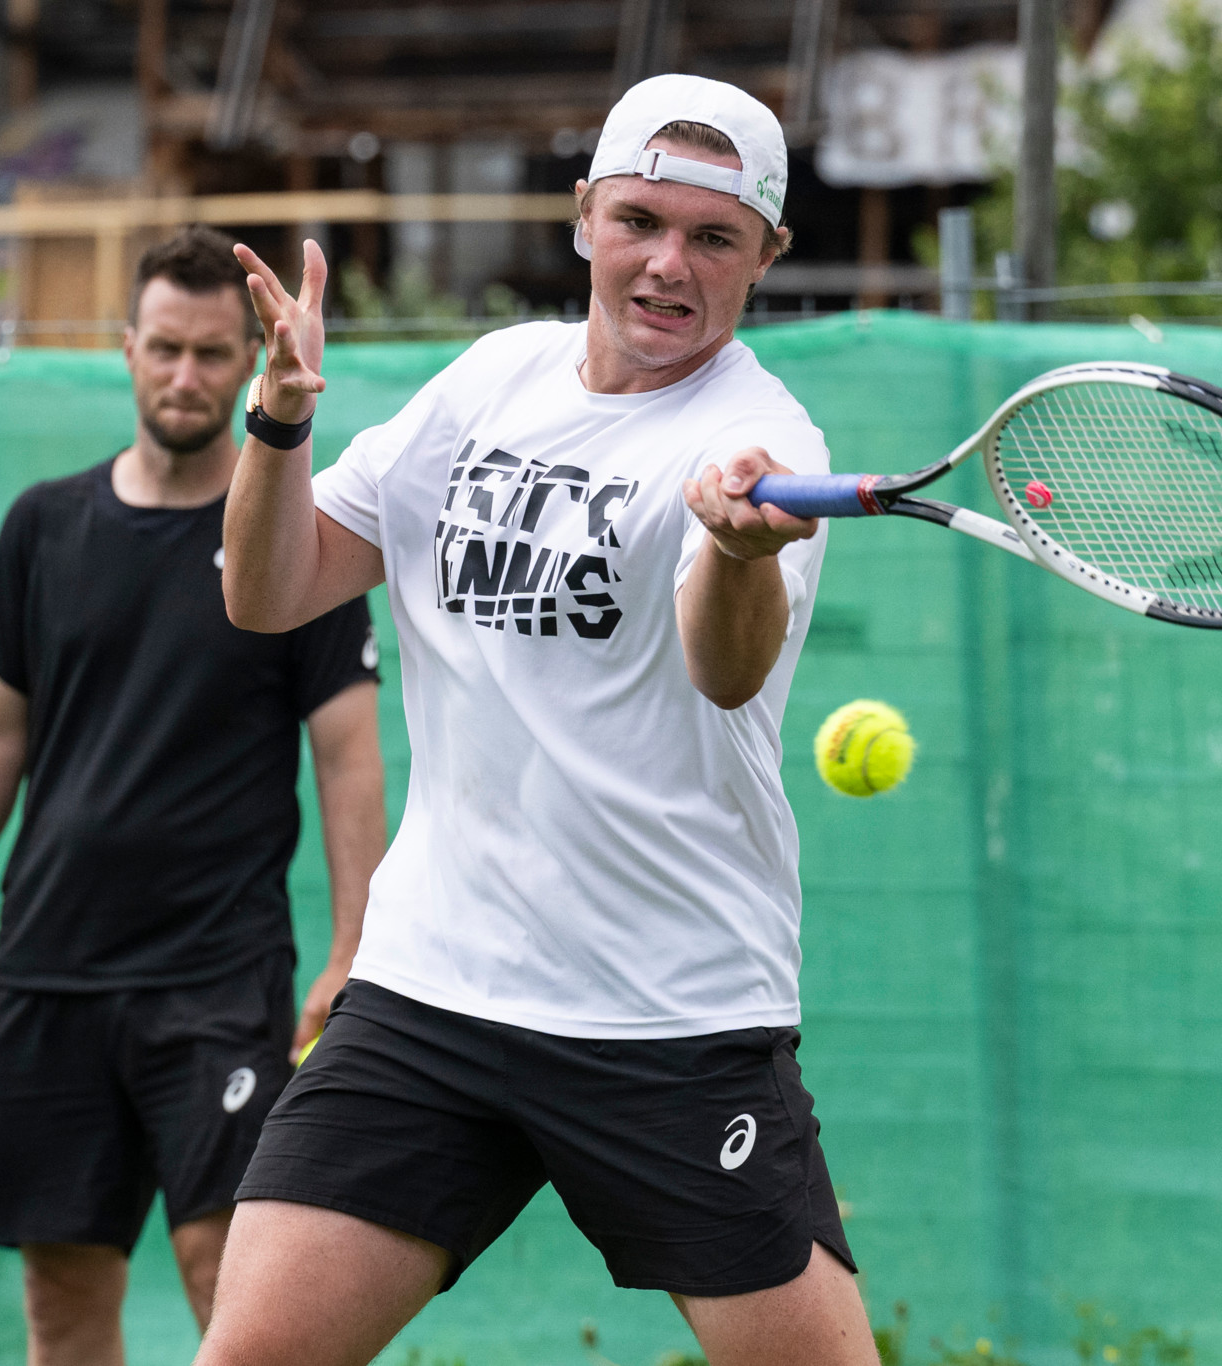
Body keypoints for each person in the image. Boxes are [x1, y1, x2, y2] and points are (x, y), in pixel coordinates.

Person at [208, 74, 878, 1366]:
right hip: (432, 989)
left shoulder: (758, 438)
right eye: (640, 219)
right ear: (584, 216)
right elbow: (267, 589)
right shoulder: (490, 380)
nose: (668, 263)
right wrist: (281, 416)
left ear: (765, 258)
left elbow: (725, 670)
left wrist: (738, 552)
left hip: (665, 1011)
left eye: (713, 237)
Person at [0, 226, 388, 1366]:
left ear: (250, 363)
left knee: (240, 1295)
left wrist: (352, 944)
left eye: (214, 355)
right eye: (164, 349)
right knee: (62, 1308)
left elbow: (348, 756)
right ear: (125, 349)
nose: (185, 377)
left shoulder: (295, 545)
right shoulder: (42, 526)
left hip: (217, 981)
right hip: (46, 974)